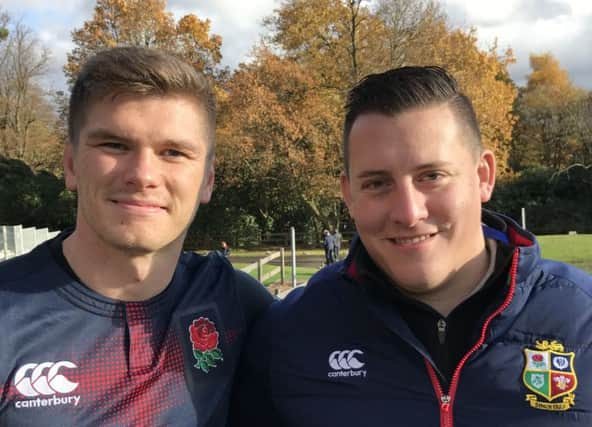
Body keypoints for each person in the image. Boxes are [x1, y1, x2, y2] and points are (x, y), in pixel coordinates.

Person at [230, 66, 592, 426]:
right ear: (348, 194)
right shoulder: (289, 334)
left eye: (431, 176)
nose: (408, 212)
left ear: (483, 176)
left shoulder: (581, 319)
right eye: (377, 183)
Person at [0, 47, 273, 427]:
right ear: (71, 164)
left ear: (208, 180)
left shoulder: (237, 304)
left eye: (173, 152)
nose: (142, 174)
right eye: (114, 145)